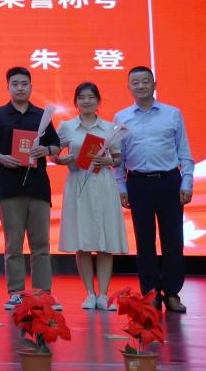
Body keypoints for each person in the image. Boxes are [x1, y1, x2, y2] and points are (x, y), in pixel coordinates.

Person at [0, 66, 62, 311]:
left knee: (41, 245)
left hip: (39, 189)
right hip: (9, 189)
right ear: (8, 87)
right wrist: (1, 158)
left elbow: (56, 146)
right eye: (15, 84)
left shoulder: (42, 116)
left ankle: (42, 293)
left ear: (31, 87)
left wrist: (46, 150)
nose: (20, 88)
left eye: (24, 84)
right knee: (13, 245)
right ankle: (16, 292)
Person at [114, 66, 194, 313]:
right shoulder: (121, 118)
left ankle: (172, 293)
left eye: (145, 81)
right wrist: (121, 186)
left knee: (173, 239)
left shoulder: (172, 114)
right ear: (129, 87)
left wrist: (187, 181)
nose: (140, 86)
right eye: (135, 82)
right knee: (144, 240)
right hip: (138, 183)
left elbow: (184, 150)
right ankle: (150, 293)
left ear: (154, 84)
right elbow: (119, 157)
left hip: (169, 181)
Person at [54, 82, 128, 311]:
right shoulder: (67, 127)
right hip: (78, 183)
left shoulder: (109, 128)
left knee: (105, 241)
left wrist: (108, 161)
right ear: (76, 102)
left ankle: (103, 295)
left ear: (98, 101)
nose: (86, 101)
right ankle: (89, 293)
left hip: (103, 183)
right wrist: (60, 159)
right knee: (82, 241)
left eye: (91, 97)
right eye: (81, 97)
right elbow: (54, 153)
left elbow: (118, 159)